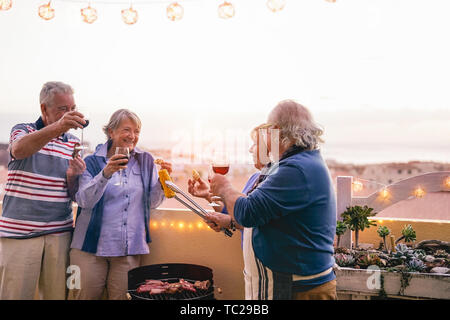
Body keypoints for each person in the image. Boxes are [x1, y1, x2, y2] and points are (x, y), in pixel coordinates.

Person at [208, 100, 337, 300]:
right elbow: (265, 216)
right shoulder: (298, 164)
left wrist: (224, 187)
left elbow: (248, 212)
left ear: (276, 131)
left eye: (266, 130)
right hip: (290, 283)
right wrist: (226, 216)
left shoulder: (297, 169)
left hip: (298, 289)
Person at [69, 109, 172, 300]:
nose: (132, 136)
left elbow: (151, 203)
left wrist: (162, 183)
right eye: (127, 130)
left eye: (137, 131)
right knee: (81, 296)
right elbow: (84, 200)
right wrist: (106, 173)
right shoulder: (91, 162)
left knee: (124, 298)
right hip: (87, 249)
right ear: (111, 132)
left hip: (128, 250)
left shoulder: (146, 161)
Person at [0, 81, 87, 300]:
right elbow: (19, 150)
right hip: (20, 234)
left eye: (72, 108)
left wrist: (72, 177)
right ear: (43, 109)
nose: (70, 114)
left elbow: (73, 193)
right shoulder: (22, 130)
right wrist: (59, 127)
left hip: (59, 233)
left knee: (57, 296)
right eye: (62, 109)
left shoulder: (74, 142)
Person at [188, 124, 269, 299]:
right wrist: (209, 196)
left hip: (267, 269)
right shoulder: (255, 178)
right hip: (251, 266)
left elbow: (247, 218)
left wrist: (229, 220)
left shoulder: (270, 183)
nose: (250, 150)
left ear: (267, 149)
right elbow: (236, 212)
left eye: (254, 145)